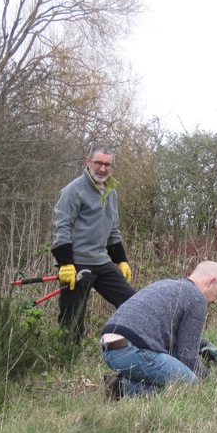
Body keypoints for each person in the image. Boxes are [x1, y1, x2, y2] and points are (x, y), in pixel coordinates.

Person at [99, 261, 217, 399]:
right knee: (190, 385)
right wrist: (209, 381)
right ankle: (122, 388)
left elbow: (180, 342)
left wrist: (205, 348)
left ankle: (119, 384)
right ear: (210, 281)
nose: (216, 300)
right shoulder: (197, 298)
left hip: (108, 348)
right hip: (131, 351)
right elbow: (187, 356)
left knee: (175, 372)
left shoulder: (167, 285)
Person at [51, 145, 137, 341]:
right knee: (72, 320)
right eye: (98, 163)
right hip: (77, 264)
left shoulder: (111, 193)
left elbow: (113, 230)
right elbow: (62, 226)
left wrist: (121, 260)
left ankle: (132, 345)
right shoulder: (74, 190)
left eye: (108, 165)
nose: (103, 169)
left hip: (102, 261)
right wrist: (65, 263)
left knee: (134, 303)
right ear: (88, 161)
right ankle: (67, 355)